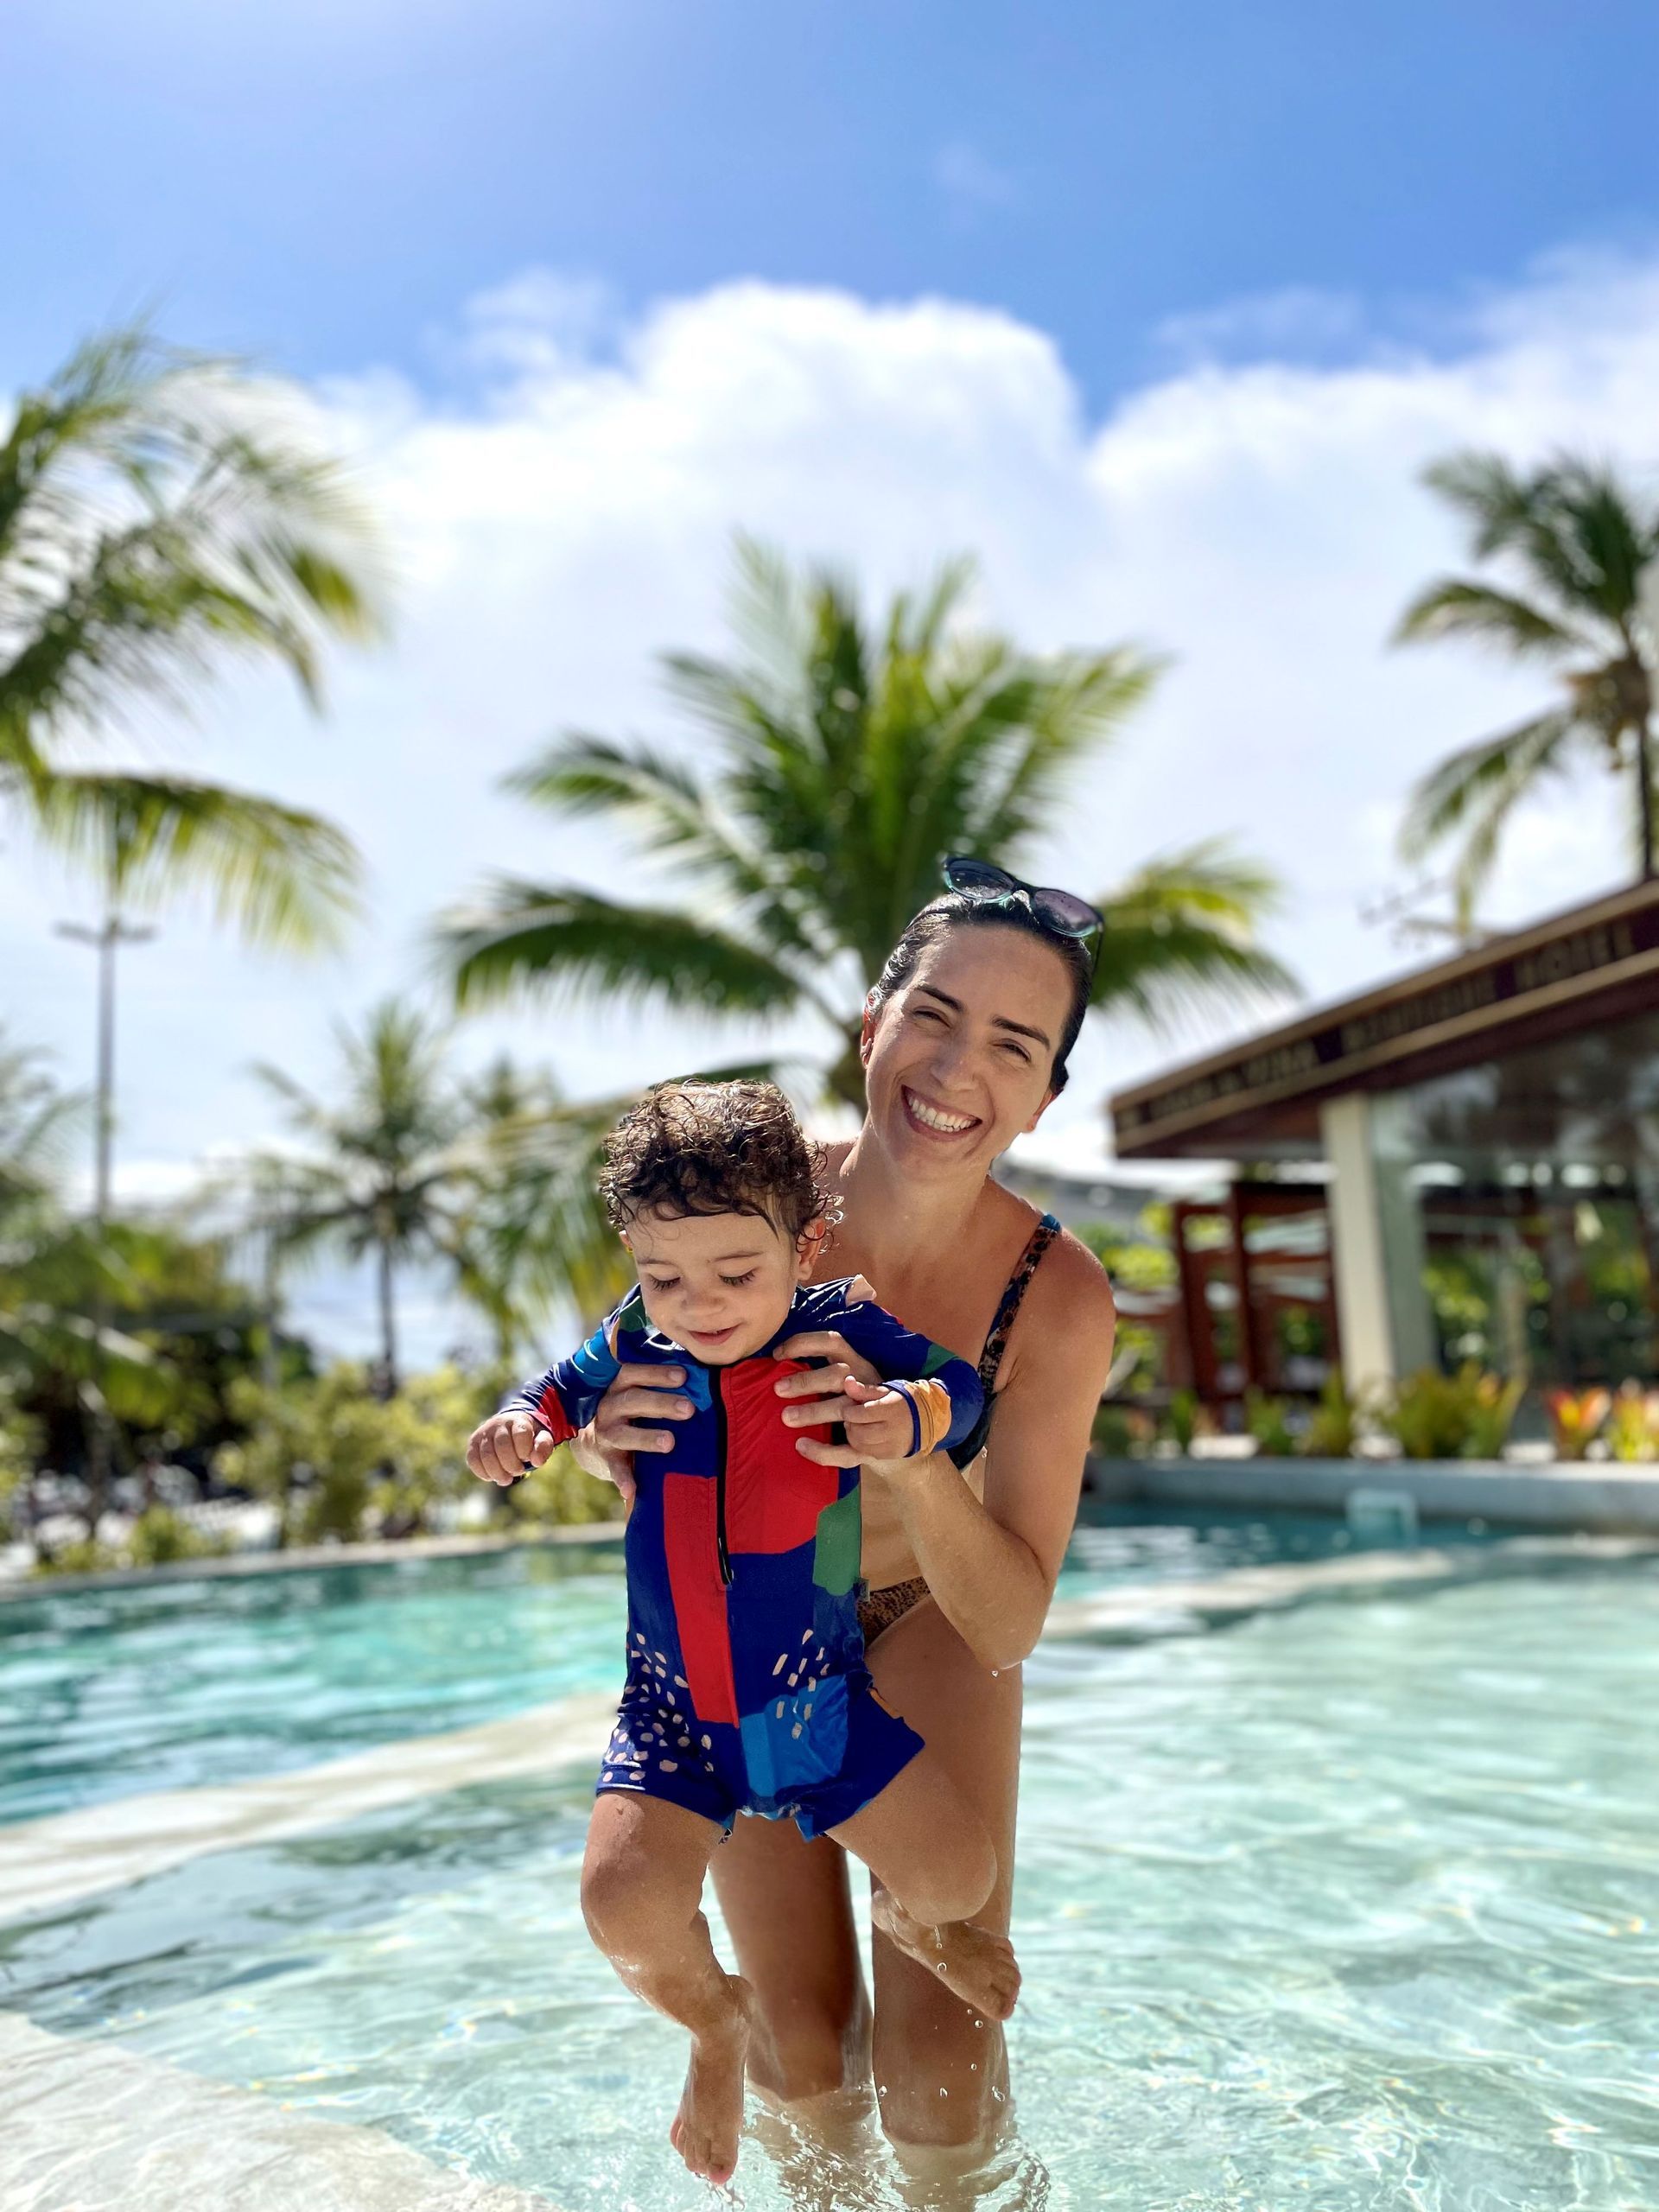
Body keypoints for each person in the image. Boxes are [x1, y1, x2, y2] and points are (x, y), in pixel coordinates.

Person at [506, 860, 1121, 2176]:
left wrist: (914, 1463)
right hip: (760, 1634)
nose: (957, 1069)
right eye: (934, 1017)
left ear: (1045, 1096)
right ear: (872, 1025)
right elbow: (619, 1396)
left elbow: (1008, 1620)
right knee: (797, 2047)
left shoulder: (1056, 1295)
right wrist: (606, 1443)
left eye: (1012, 1046)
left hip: (938, 1616)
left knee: (939, 2074)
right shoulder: (745, 1210)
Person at [467, 1079, 1021, 2188]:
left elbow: (960, 1393)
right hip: (673, 1715)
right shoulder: (633, 1341)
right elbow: (553, 1395)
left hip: (815, 1700)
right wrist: (520, 1427)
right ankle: (716, 2022)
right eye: (663, 1275)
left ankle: (922, 1927)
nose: (699, 1304)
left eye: (735, 1273)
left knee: (960, 1875)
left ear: (803, 1246)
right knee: (621, 1908)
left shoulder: (839, 1329)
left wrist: (904, 1414)